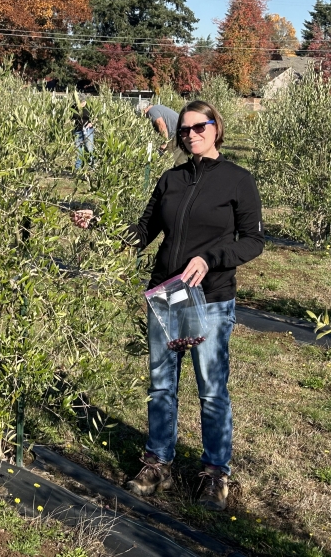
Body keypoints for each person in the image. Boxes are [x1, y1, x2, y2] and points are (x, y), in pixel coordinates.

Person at [73, 100, 264, 511]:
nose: (191, 134)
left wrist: (211, 258)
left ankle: (215, 473)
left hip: (210, 298)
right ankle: (158, 463)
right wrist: (102, 223)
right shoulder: (170, 179)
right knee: (162, 385)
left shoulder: (237, 180)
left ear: (217, 128)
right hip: (165, 296)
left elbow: (253, 240)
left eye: (200, 126)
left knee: (211, 391)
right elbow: (143, 232)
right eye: (185, 129)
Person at [140, 103, 188, 167]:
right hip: (183, 133)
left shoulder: (152, 111)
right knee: (181, 163)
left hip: (174, 135)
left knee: (167, 162)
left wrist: (164, 142)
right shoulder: (158, 107)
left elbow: (161, 125)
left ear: (143, 110)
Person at [72, 94, 94, 170]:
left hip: (88, 130)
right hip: (77, 130)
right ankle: (78, 167)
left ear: (84, 101)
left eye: (81, 102)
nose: (79, 104)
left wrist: (91, 123)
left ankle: (92, 165)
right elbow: (70, 117)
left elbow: (95, 117)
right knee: (78, 148)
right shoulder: (74, 107)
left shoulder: (89, 107)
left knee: (89, 148)